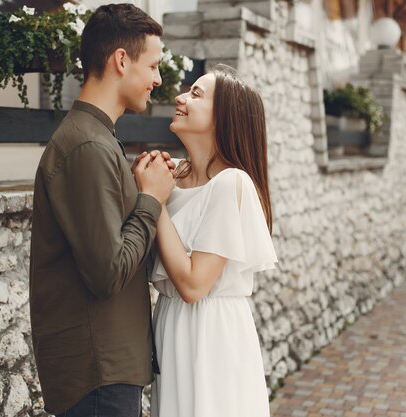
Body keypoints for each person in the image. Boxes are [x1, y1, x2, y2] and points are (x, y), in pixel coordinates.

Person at [29, 4, 175, 416]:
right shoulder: (87, 145)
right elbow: (107, 272)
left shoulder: (97, 140)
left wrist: (135, 192)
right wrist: (151, 199)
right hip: (97, 375)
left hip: (106, 369)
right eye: (154, 66)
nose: (158, 79)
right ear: (121, 60)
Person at [139, 65, 278, 417]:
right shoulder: (174, 175)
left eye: (196, 94)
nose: (179, 97)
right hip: (170, 325)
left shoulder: (231, 183)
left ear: (223, 118)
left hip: (211, 333)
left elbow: (193, 284)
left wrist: (154, 201)